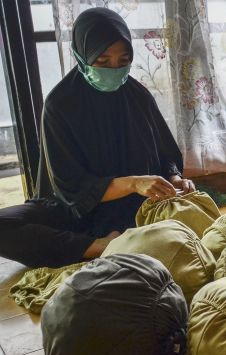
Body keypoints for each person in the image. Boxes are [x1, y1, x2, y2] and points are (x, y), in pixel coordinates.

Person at [0, 8, 194, 268]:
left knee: (192, 218)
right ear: (82, 56)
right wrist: (134, 182)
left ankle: (105, 242)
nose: (114, 69)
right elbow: (70, 188)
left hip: (135, 208)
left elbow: (165, 154)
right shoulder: (60, 104)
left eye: (123, 60)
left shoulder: (137, 96)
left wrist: (174, 179)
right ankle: (99, 246)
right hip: (73, 211)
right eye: (103, 62)